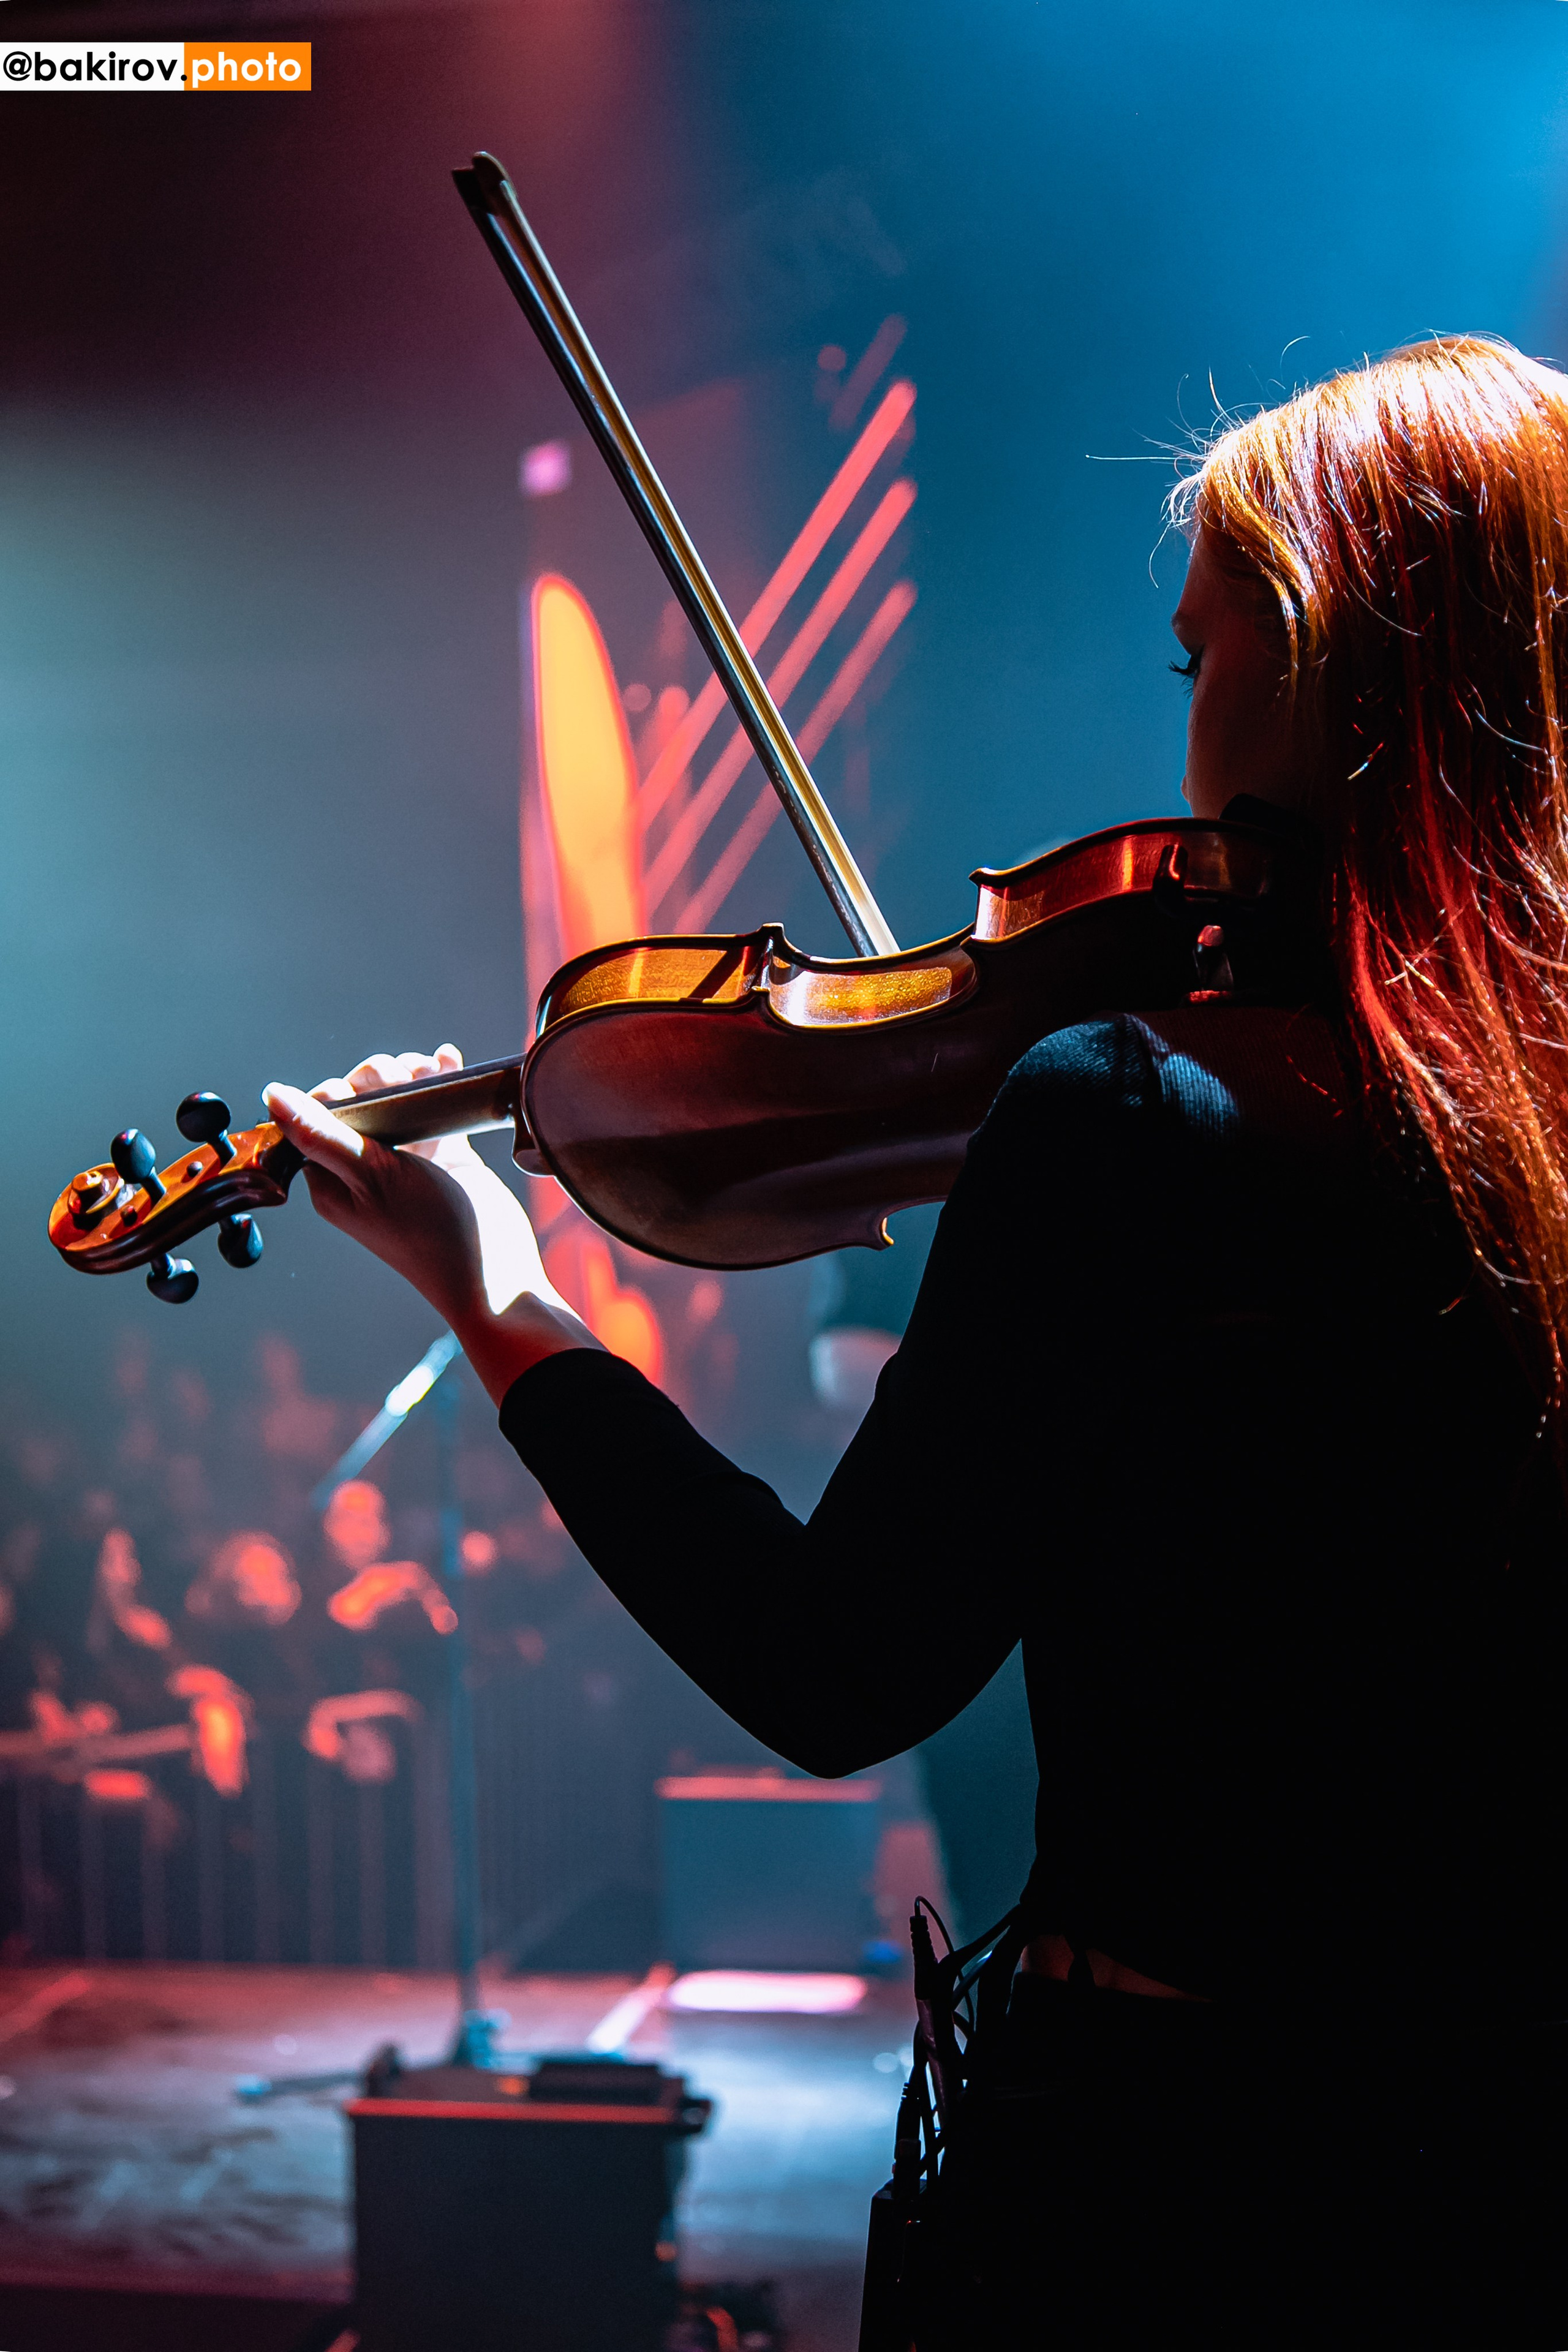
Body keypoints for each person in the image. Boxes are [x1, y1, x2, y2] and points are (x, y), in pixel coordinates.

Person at [263, 336, 1568, 2346]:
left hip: (1185, 2188)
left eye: (1203, 663)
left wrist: (498, 1294)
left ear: (1328, 694)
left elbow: (832, 1664)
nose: (1189, 734)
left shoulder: (1136, 1114)